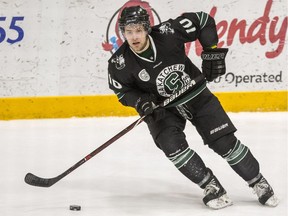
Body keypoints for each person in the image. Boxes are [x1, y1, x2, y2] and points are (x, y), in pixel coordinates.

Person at [107, 5, 279, 209]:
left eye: (138, 30)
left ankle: (258, 181)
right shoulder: (119, 63)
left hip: (195, 95)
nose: (134, 36)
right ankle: (211, 186)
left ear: (147, 29)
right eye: (128, 31)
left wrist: (211, 52)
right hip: (163, 108)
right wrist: (141, 101)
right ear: (122, 32)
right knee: (171, 146)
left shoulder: (168, 33)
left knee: (224, 143)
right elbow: (123, 91)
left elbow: (203, 20)